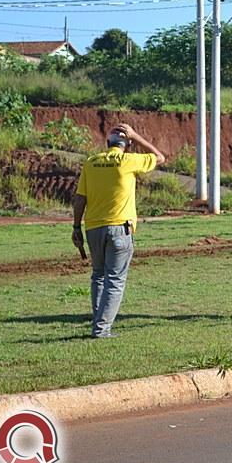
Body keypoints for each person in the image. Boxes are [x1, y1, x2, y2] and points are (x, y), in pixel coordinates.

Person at [72, 123, 165, 338]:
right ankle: (101, 330)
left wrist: (76, 227)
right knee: (115, 279)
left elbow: (80, 199)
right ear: (127, 145)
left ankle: (98, 323)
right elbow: (159, 157)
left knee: (98, 276)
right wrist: (136, 135)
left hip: (93, 228)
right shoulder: (128, 161)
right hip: (120, 229)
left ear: (107, 143)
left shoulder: (91, 162)